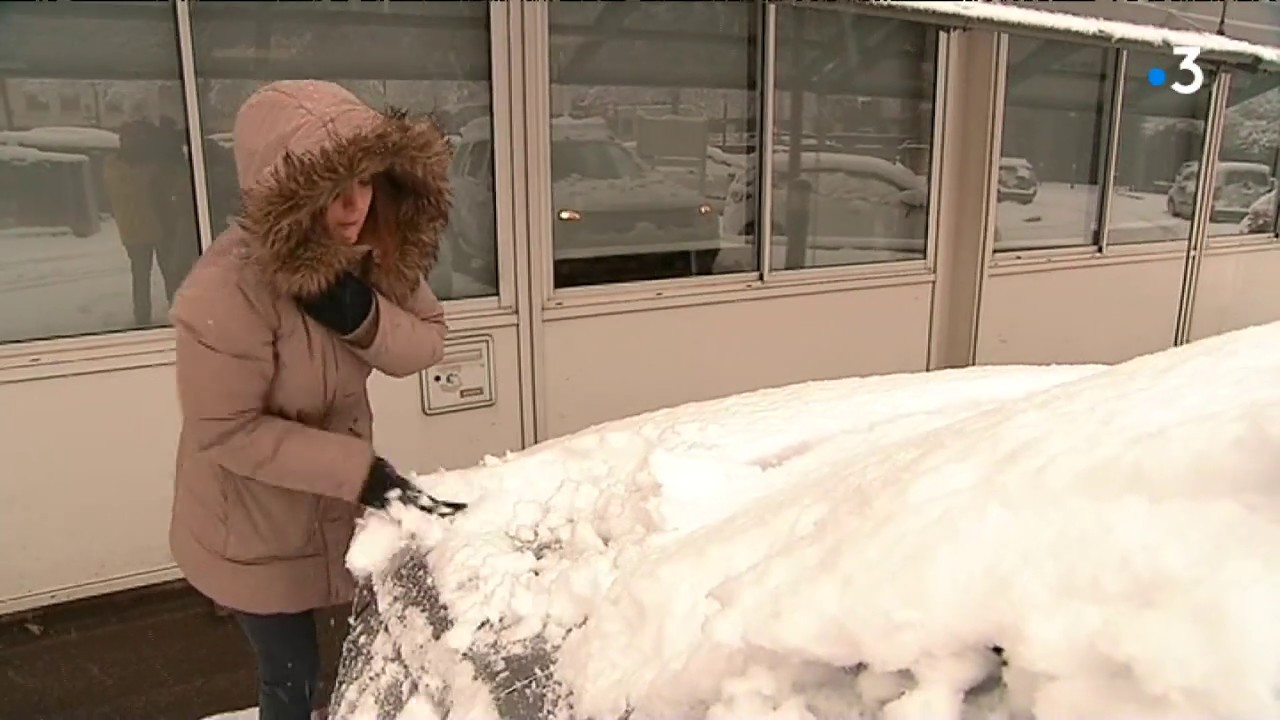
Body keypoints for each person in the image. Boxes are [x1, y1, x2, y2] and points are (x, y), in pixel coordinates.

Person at [167, 80, 465, 720]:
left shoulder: (371, 251)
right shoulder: (224, 294)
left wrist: (360, 313)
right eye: (329, 190)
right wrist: (359, 472)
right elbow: (227, 430)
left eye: (364, 179)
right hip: (249, 523)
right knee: (294, 675)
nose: (353, 204)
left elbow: (427, 343)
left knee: (345, 664)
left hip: (328, 507)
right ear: (284, 195)